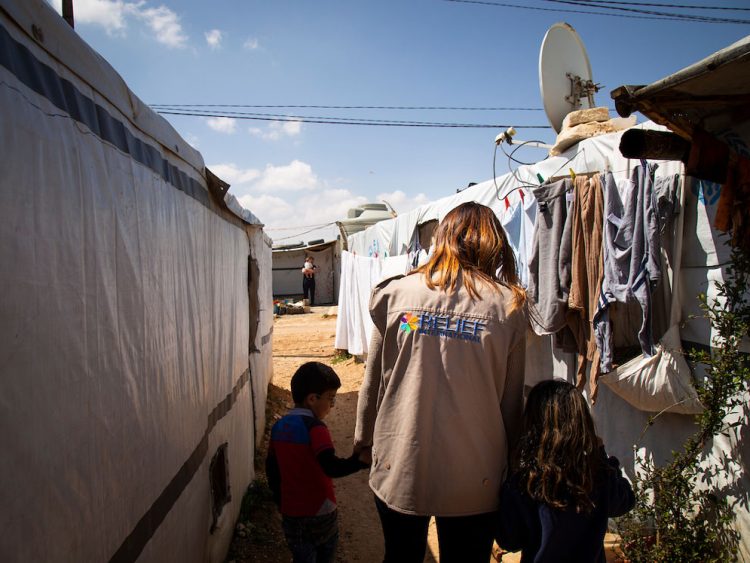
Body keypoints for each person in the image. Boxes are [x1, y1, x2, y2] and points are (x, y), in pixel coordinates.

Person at [353, 202, 528, 562]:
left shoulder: (398, 295)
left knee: (401, 556)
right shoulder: (508, 307)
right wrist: (514, 464)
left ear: (441, 238)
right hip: (476, 476)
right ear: (492, 242)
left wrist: (363, 440)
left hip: (400, 462)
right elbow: (511, 404)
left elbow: (373, 383)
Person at [496, 379, 635, 563]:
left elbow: (510, 540)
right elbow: (625, 501)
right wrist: (600, 455)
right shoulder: (595, 476)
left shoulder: (525, 482)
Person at [266, 362, 368, 563]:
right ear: (312, 399)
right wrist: (359, 461)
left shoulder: (278, 427)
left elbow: (272, 470)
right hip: (321, 512)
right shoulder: (316, 429)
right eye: (331, 399)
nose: (332, 405)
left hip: (291, 514)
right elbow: (331, 467)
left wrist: (281, 502)